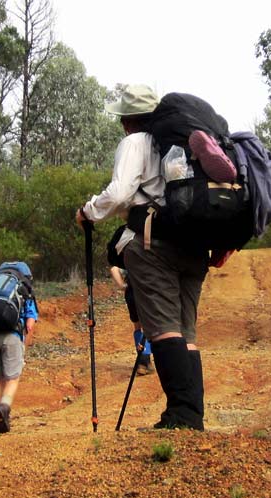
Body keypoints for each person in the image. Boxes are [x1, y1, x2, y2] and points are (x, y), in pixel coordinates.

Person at [75, 84, 208, 430]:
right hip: (194, 244)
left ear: (129, 120)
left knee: (163, 329)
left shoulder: (136, 142)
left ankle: (181, 415)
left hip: (154, 245)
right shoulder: (180, 144)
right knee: (186, 332)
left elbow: (120, 193)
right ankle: (192, 414)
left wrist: (89, 212)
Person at [0, 265, 39, 434]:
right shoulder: (24, 293)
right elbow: (30, 325)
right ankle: (4, 407)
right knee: (12, 378)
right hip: (11, 338)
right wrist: (23, 348)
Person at [109, 264, 153, 375]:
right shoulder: (148, 255)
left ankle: (144, 362)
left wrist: (123, 286)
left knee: (137, 326)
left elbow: (114, 269)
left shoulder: (129, 257)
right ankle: (144, 362)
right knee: (148, 326)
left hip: (131, 292)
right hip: (147, 291)